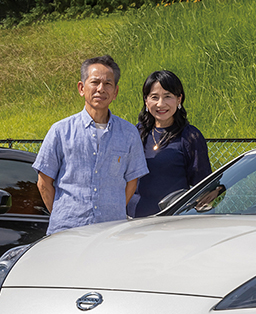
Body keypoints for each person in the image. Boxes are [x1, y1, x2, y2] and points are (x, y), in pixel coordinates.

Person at [33, 55, 148, 234]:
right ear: (81, 88)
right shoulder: (61, 131)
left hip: (110, 233)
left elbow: (131, 183)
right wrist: (63, 216)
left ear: (115, 92)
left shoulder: (129, 133)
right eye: (95, 82)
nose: (101, 89)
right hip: (66, 233)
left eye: (108, 84)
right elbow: (43, 182)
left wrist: (111, 211)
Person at [128, 70, 212, 217]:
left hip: (172, 222)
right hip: (133, 220)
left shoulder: (190, 136)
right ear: (146, 100)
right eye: (154, 97)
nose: (161, 104)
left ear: (179, 99)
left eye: (168, 96)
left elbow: (204, 186)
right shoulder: (135, 133)